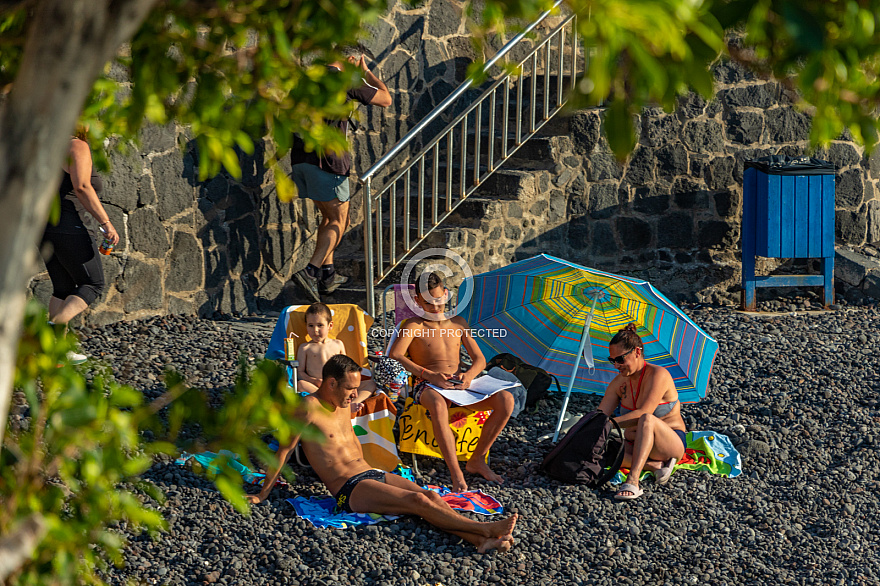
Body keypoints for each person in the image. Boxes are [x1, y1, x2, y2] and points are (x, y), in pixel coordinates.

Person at [247, 355, 518, 553]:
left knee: (431, 496)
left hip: (370, 473)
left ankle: (480, 541)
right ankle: (485, 529)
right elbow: (282, 452)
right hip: (348, 489)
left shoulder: (342, 402)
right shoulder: (307, 408)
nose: (354, 395)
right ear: (330, 383)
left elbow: (373, 386)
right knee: (418, 502)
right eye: (349, 388)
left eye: (355, 388)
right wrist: (262, 494)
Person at [387, 272, 515, 493]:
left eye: (439, 300)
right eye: (428, 302)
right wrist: (429, 375)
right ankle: (456, 474)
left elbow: (479, 359)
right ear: (417, 300)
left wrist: (469, 376)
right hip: (426, 384)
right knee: (438, 405)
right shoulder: (414, 325)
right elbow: (396, 355)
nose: (435, 307)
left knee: (506, 399)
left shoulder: (458, 323)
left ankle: (476, 460)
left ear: (446, 294)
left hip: (459, 383)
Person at [291, 45, 392, 302]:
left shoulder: (309, 77)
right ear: (350, 59)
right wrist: (366, 71)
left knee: (328, 217)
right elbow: (386, 98)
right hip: (329, 161)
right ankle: (311, 271)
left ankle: (328, 273)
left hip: (302, 158)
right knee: (340, 221)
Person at [39, 126, 120, 364]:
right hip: (68, 225)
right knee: (93, 284)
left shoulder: (46, 142)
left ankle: (56, 353)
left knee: (62, 288)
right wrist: (106, 222)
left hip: (44, 226)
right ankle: (54, 327)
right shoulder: (77, 146)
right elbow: (82, 187)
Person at [597, 323, 687, 501]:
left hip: (669, 442)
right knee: (597, 448)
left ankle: (633, 480)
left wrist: (609, 425)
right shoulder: (619, 382)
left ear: (637, 352)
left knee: (647, 418)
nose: (616, 365)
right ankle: (653, 466)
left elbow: (642, 413)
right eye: (612, 360)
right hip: (635, 440)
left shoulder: (658, 375)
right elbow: (601, 414)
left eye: (620, 359)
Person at [296, 302, 375, 410]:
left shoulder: (338, 344)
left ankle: (352, 404)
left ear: (330, 325)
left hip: (340, 385)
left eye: (320, 325)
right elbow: (299, 373)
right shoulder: (305, 348)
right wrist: (314, 380)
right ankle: (332, 402)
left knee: (370, 384)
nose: (315, 330)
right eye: (310, 325)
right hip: (319, 388)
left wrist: (353, 386)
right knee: (301, 384)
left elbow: (348, 369)